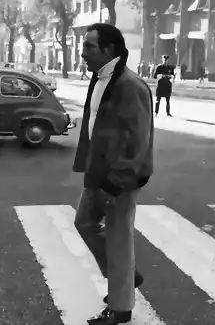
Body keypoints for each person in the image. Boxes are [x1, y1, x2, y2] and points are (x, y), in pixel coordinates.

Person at [73, 23, 154, 325]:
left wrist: (117, 181)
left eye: (89, 47)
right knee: (84, 223)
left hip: (119, 179)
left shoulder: (129, 86)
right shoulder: (102, 78)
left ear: (108, 50)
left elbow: (138, 140)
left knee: (119, 242)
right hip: (99, 172)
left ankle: (120, 308)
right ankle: (126, 277)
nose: (83, 54)